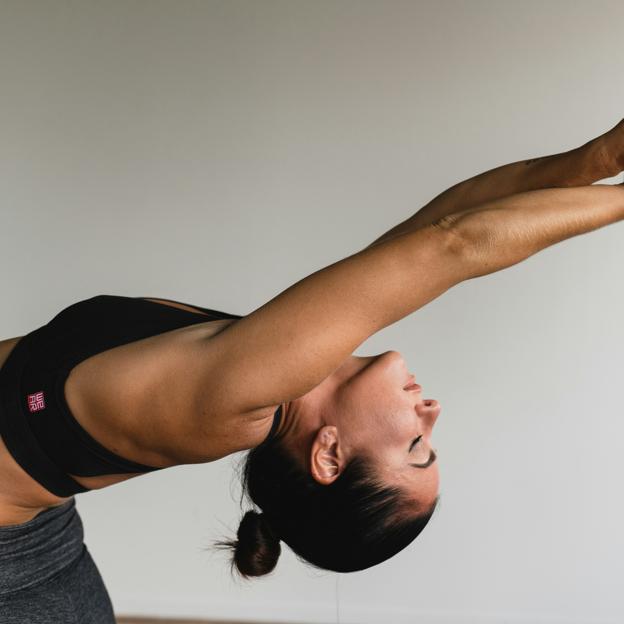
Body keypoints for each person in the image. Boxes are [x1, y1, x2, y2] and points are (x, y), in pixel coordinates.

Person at [1, 119, 623, 621]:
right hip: (42, 533)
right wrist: (597, 159)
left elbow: (453, 245)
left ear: (328, 455)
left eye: (416, 447)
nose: (432, 413)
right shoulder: (281, 365)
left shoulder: (233, 405)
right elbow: (433, 229)